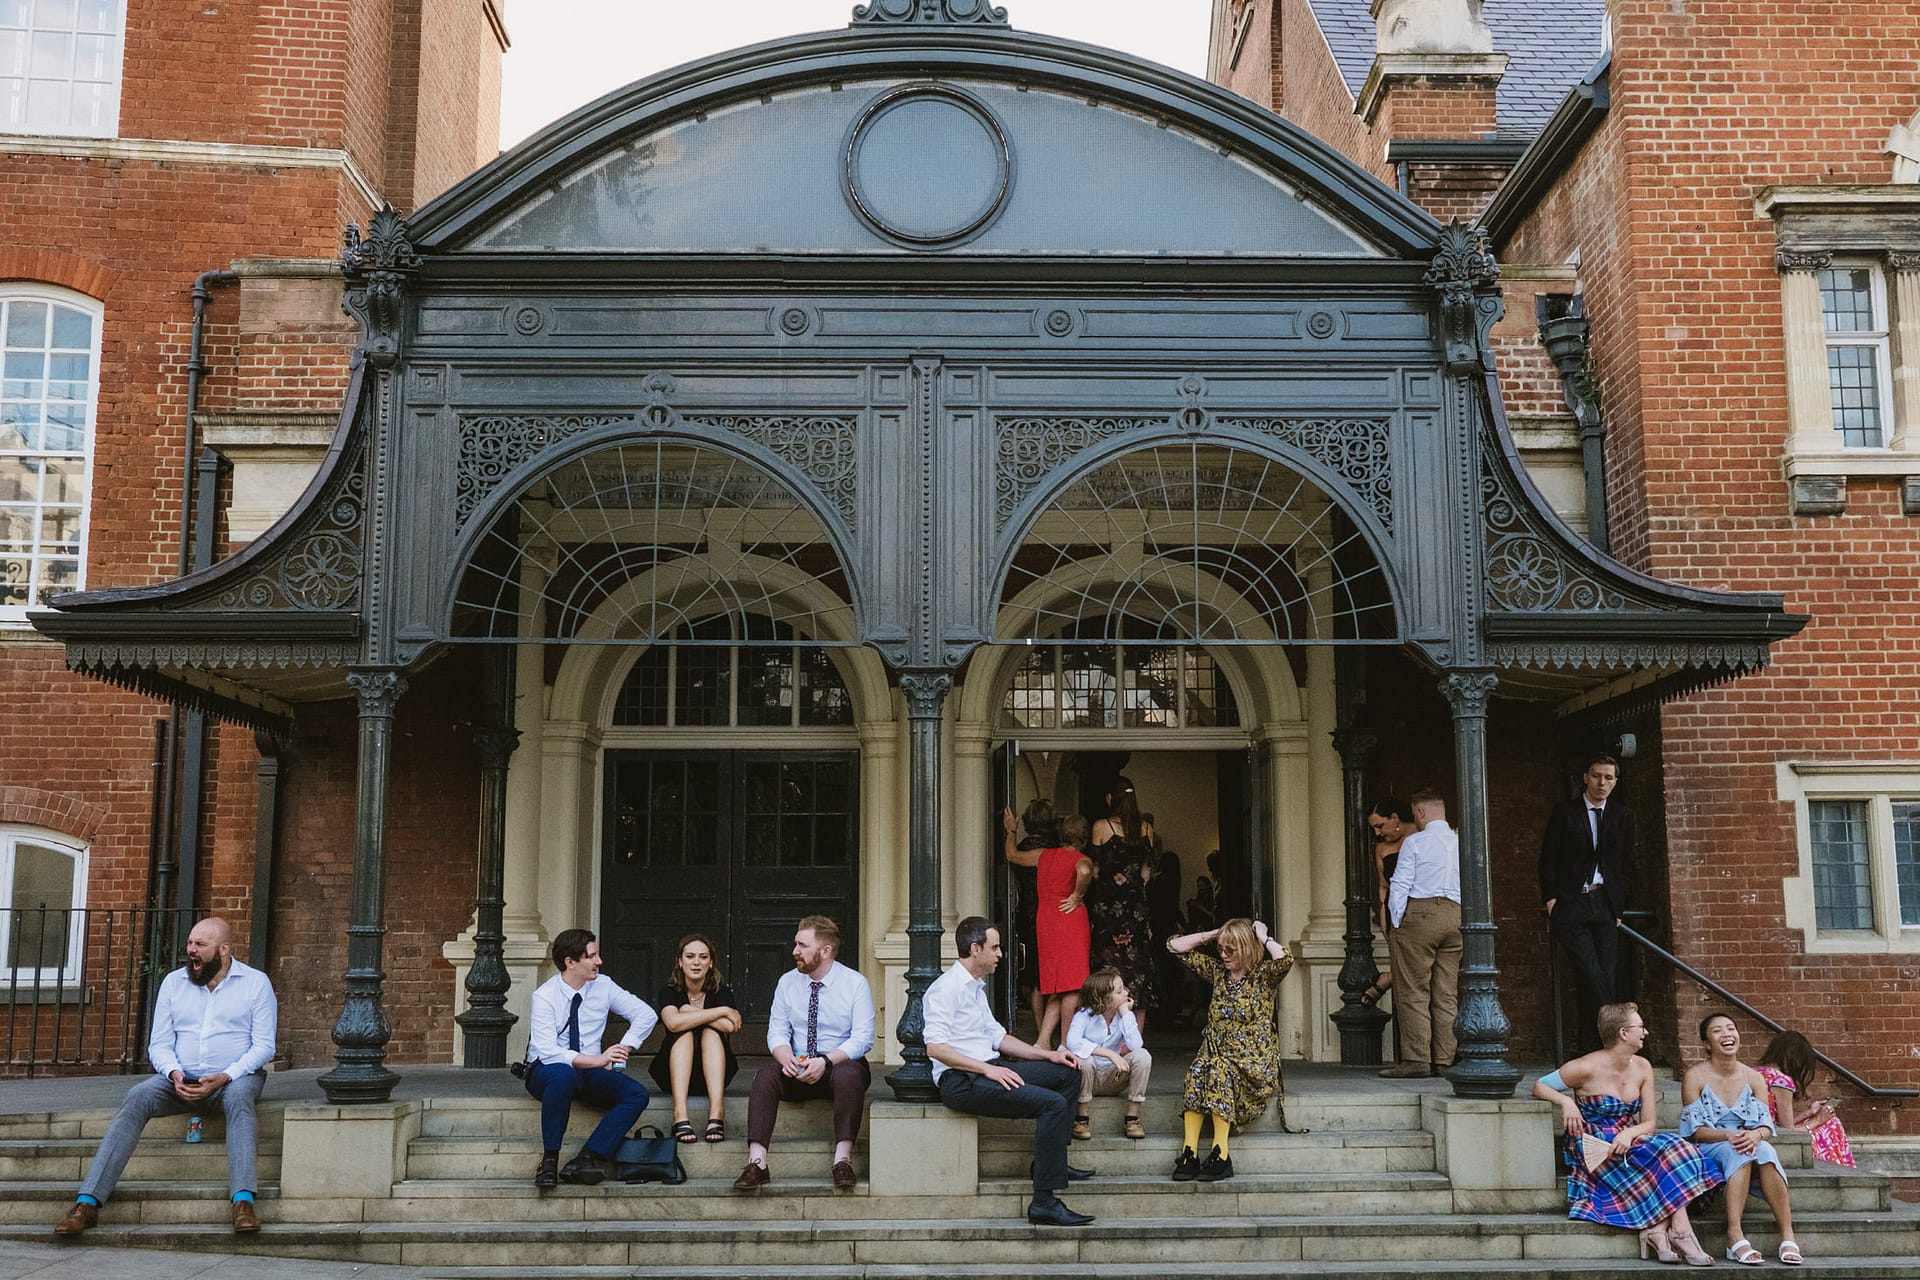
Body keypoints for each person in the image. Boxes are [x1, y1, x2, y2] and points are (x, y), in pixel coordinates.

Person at [55, 917, 276, 1237]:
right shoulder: (174, 983)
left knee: (241, 1098)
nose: (191, 951)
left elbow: (264, 1046)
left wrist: (226, 1076)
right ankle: (87, 1203)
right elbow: (158, 1043)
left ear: (224, 949)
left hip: (234, 1079)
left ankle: (243, 1201)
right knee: (138, 1096)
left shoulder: (256, 983)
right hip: (180, 1079)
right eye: (189, 943)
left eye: (200, 945)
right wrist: (174, 1073)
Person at [925, 915, 1094, 1227]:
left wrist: (1046, 1056)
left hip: (989, 1068)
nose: (1001, 954)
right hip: (962, 1081)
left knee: (1069, 1072)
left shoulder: (976, 988)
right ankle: (1044, 1203)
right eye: (996, 947)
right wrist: (987, 1071)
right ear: (975, 949)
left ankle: (1052, 1160)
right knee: (1052, 1104)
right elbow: (936, 1048)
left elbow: (999, 1038)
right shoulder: (944, 989)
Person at [1529, 1001, 1722, 1266]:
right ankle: (1677, 1233)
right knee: (1667, 1159)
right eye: (1640, 1027)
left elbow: (1650, 1122)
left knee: (1678, 1146)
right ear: (1623, 1033)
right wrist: (1567, 1103)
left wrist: (1629, 1134)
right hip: (1594, 1145)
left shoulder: (1643, 1067)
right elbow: (1539, 1086)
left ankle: (1666, 1230)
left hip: (1628, 1139)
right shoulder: (1585, 1067)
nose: (1646, 1032)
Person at [734, 915, 874, 1192]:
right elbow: (776, 1031)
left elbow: (863, 1038)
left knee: (849, 1075)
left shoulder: (855, 983)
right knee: (764, 1078)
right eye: (796, 944)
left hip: (837, 1064)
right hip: (797, 1065)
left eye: (802, 945)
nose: (794, 951)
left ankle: (842, 1160)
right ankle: (757, 1163)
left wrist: (825, 1061)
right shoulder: (787, 982)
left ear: (825, 951)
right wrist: (783, 1055)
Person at [523, 928, 657, 1188]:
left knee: (636, 1094)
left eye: (597, 955)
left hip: (588, 1071)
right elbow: (549, 1052)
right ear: (570, 962)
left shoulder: (603, 986)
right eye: (591, 956)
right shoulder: (544, 996)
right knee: (563, 1073)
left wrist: (624, 1047)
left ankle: (587, 1157)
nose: (599, 961)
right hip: (547, 1071)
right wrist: (597, 1060)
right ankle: (549, 1160)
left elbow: (646, 1014)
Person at [1165, 916, 1292, 1183]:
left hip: (1251, 1065)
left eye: (1230, 950)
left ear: (1246, 947)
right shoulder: (1218, 973)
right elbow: (1174, 946)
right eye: (1221, 949)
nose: (1223, 955)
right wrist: (1212, 934)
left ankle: (1221, 1154)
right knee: (1201, 1066)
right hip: (1216, 1058)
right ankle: (1189, 1153)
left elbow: (1285, 961)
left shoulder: (1262, 976)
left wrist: (1263, 937)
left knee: (1217, 1069)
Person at [1681, 1012, 1801, 1265]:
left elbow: (1766, 1126)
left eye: (1731, 1029)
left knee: (1766, 1151)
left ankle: (1787, 1234)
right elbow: (1694, 1131)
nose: (1727, 1035)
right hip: (1710, 1144)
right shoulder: (1695, 1076)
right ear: (1706, 1043)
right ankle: (1734, 1234)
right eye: (1717, 1031)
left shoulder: (1755, 1078)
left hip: (1749, 1141)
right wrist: (1728, 1135)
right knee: (1739, 1150)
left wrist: (1756, 1135)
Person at [1539, 753, 1633, 1053]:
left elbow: (1625, 863)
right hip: (1572, 902)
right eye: (1596, 776)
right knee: (1590, 971)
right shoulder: (1565, 811)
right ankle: (1623, 1028)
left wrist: (1618, 907)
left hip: (1605, 903)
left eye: (1608, 778)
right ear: (1585, 777)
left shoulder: (1622, 815)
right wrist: (1551, 899)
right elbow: (1548, 857)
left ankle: (1591, 1047)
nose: (1601, 783)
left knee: (1603, 973)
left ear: (1615, 782)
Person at [1380, 787, 1461, 1078]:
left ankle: (1417, 1059)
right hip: (1456, 915)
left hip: (1420, 913)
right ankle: (1444, 1058)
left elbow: (1400, 884)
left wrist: (1396, 922)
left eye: (1415, 813)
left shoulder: (1415, 841)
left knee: (1413, 989)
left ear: (1421, 811)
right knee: (1446, 992)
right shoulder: (1459, 840)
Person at [1003, 806, 1093, 1050]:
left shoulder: (1043, 855)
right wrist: (1078, 893)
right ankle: (1066, 1042)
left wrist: (1011, 829)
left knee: (1054, 986)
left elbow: (1011, 855)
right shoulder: (1081, 858)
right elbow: (1084, 871)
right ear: (1084, 838)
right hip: (1070, 919)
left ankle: (1043, 1041)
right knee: (1073, 985)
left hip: (1046, 921)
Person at [648, 932, 740, 1144]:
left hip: (715, 1074)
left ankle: (717, 1112)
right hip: (673, 1074)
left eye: (703, 957)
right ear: (680, 962)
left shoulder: (721, 992)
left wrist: (688, 1011)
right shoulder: (669, 991)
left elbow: (730, 1025)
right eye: (690, 956)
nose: (696, 962)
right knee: (685, 1033)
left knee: (710, 1033)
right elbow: (672, 1023)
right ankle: (679, 1115)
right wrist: (720, 1011)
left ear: (711, 962)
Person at [1089, 776, 1159, 1036]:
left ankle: (1106, 1036)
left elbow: (1094, 872)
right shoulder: (1146, 829)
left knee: (1108, 976)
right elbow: (1145, 875)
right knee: (1139, 974)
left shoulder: (1101, 826)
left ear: (1110, 799)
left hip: (1108, 915)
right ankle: (1135, 1038)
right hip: (1136, 915)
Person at [1064, 968, 1152, 1140]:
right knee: (1085, 1060)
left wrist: (1125, 1012)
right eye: (1119, 991)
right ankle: (1081, 1119)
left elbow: (1136, 1044)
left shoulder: (1124, 1016)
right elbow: (1072, 1042)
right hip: (1090, 1077)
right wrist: (1110, 1054)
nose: (1126, 992)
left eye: (1124, 988)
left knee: (1143, 1055)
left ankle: (1132, 1118)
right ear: (1103, 998)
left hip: (1115, 1078)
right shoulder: (1084, 1015)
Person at [1758, 1030, 1855, 1168]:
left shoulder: (1756, 1072)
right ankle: (1840, 1170)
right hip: (1772, 1142)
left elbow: (1775, 1124)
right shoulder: (1780, 1080)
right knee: (1831, 1124)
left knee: (1826, 1121)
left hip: (1760, 1135)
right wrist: (1817, 1121)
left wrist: (1808, 1113)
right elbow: (1787, 1133)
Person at [1008, 798, 1059, 1042]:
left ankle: (1041, 1032)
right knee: (1055, 976)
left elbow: (1010, 855)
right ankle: (1052, 1031)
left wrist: (1010, 830)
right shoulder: (1057, 847)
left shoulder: (1026, 848)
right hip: (1056, 914)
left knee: (1037, 977)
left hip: (1029, 913)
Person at [1360, 796, 1415, 1011]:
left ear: (1394, 818)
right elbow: (1384, 887)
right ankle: (1391, 978)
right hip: (1396, 912)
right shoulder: (1382, 848)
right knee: (1409, 967)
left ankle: (1387, 979)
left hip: (1421, 907)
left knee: (1417, 965)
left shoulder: (1420, 836)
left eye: (1380, 826)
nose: (1377, 833)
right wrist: (1385, 921)